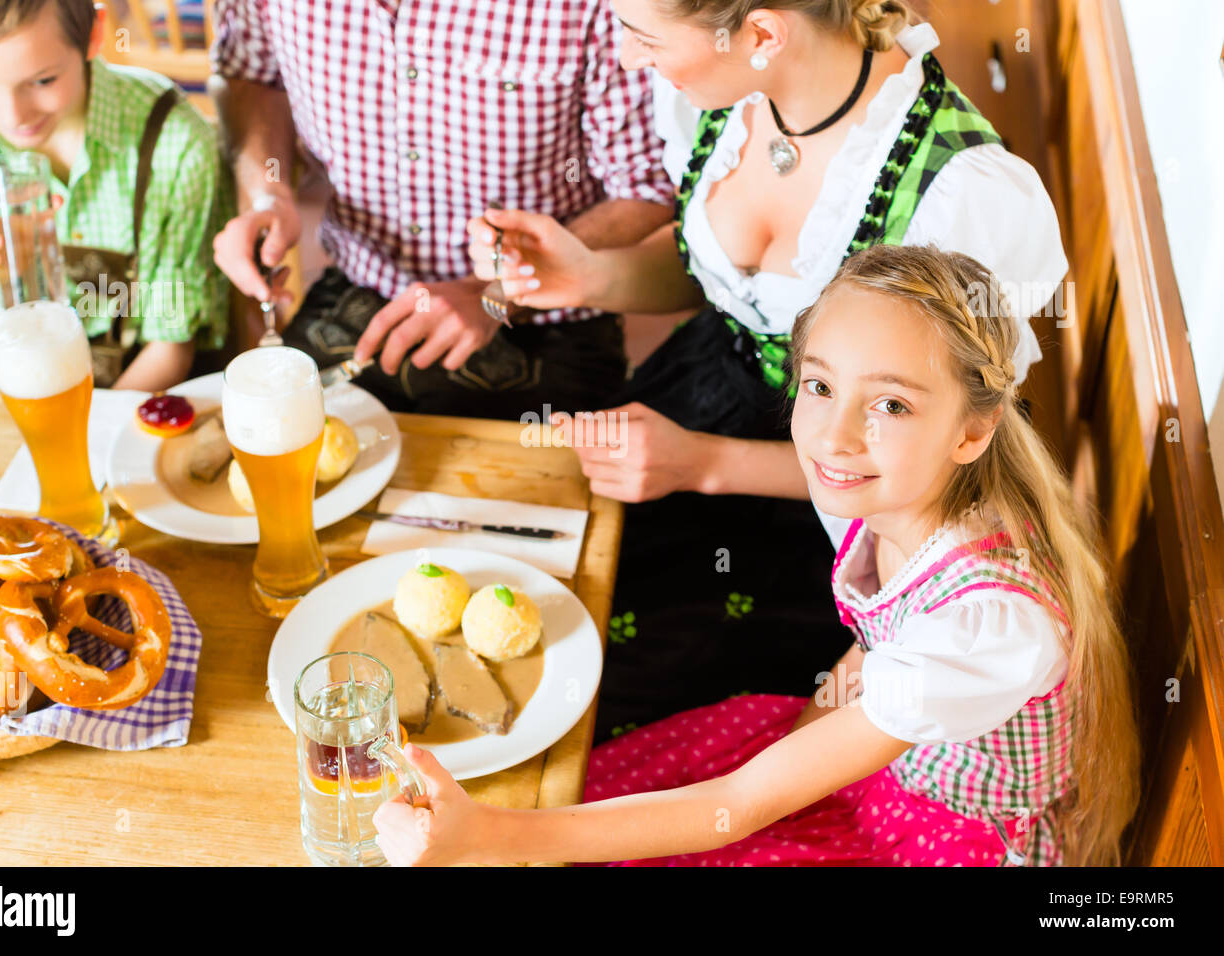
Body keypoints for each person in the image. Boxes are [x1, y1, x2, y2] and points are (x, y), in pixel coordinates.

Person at [371, 244, 1139, 867]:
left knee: (566, 832)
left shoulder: (989, 626)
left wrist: (486, 839)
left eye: (892, 405)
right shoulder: (909, 494)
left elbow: (737, 807)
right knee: (598, 791)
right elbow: (874, 647)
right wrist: (800, 740)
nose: (835, 438)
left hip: (939, 844)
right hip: (877, 772)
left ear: (973, 431)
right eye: (819, 387)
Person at [468, 0, 1070, 740]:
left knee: (585, 689)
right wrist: (592, 275)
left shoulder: (961, 197)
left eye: (645, 36)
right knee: (520, 571)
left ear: (761, 33)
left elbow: (941, 466)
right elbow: (723, 284)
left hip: (825, 519)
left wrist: (707, 464)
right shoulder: (732, 95)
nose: (627, 57)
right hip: (693, 402)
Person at [208, 0, 676, 420]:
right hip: (360, 289)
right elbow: (254, 74)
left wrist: (493, 292)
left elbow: (646, 188)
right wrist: (267, 193)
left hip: (544, 321)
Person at [0, 0, 232, 391]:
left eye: (43, 80)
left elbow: (171, 345)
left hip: (146, 388)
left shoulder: (175, 144)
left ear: (94, 34)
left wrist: (92, 433)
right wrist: (4, 277)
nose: (14, 114)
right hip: (32, 371)